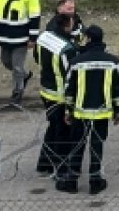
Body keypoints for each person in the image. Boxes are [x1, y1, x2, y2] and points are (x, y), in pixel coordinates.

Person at [60, 25, 119, 195]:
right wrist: (118, 111)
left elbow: (69, 89)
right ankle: (95, 181)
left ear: (88, 38)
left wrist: (68, 111)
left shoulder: (76, 62)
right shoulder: (113, 62)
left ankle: (71, 181)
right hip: (102, 113)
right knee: (97, 146)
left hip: (80, 113)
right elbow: (118, 89)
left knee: (77, 146)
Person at [34, 12, 79, 177]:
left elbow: (37, 58)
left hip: (46, 90)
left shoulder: (44, 37)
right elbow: (70, 75)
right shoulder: (66, 49)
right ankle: (61, 167)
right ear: (66, 25)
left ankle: (44, 163)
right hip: (60, 95)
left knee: (53, 128)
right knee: (63, 133)